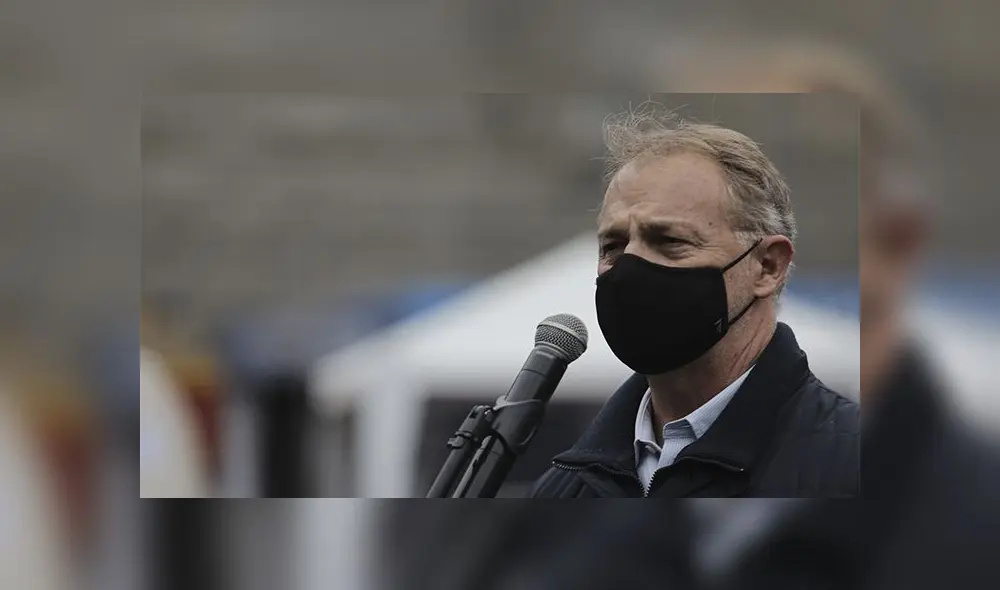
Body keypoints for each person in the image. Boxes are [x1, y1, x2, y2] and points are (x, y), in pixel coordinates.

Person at [531, 109, 859, 498]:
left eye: (670, 242)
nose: (631, 270)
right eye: (614, 247)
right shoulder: (566, 485)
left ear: (767, 266)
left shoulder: (853, 462)